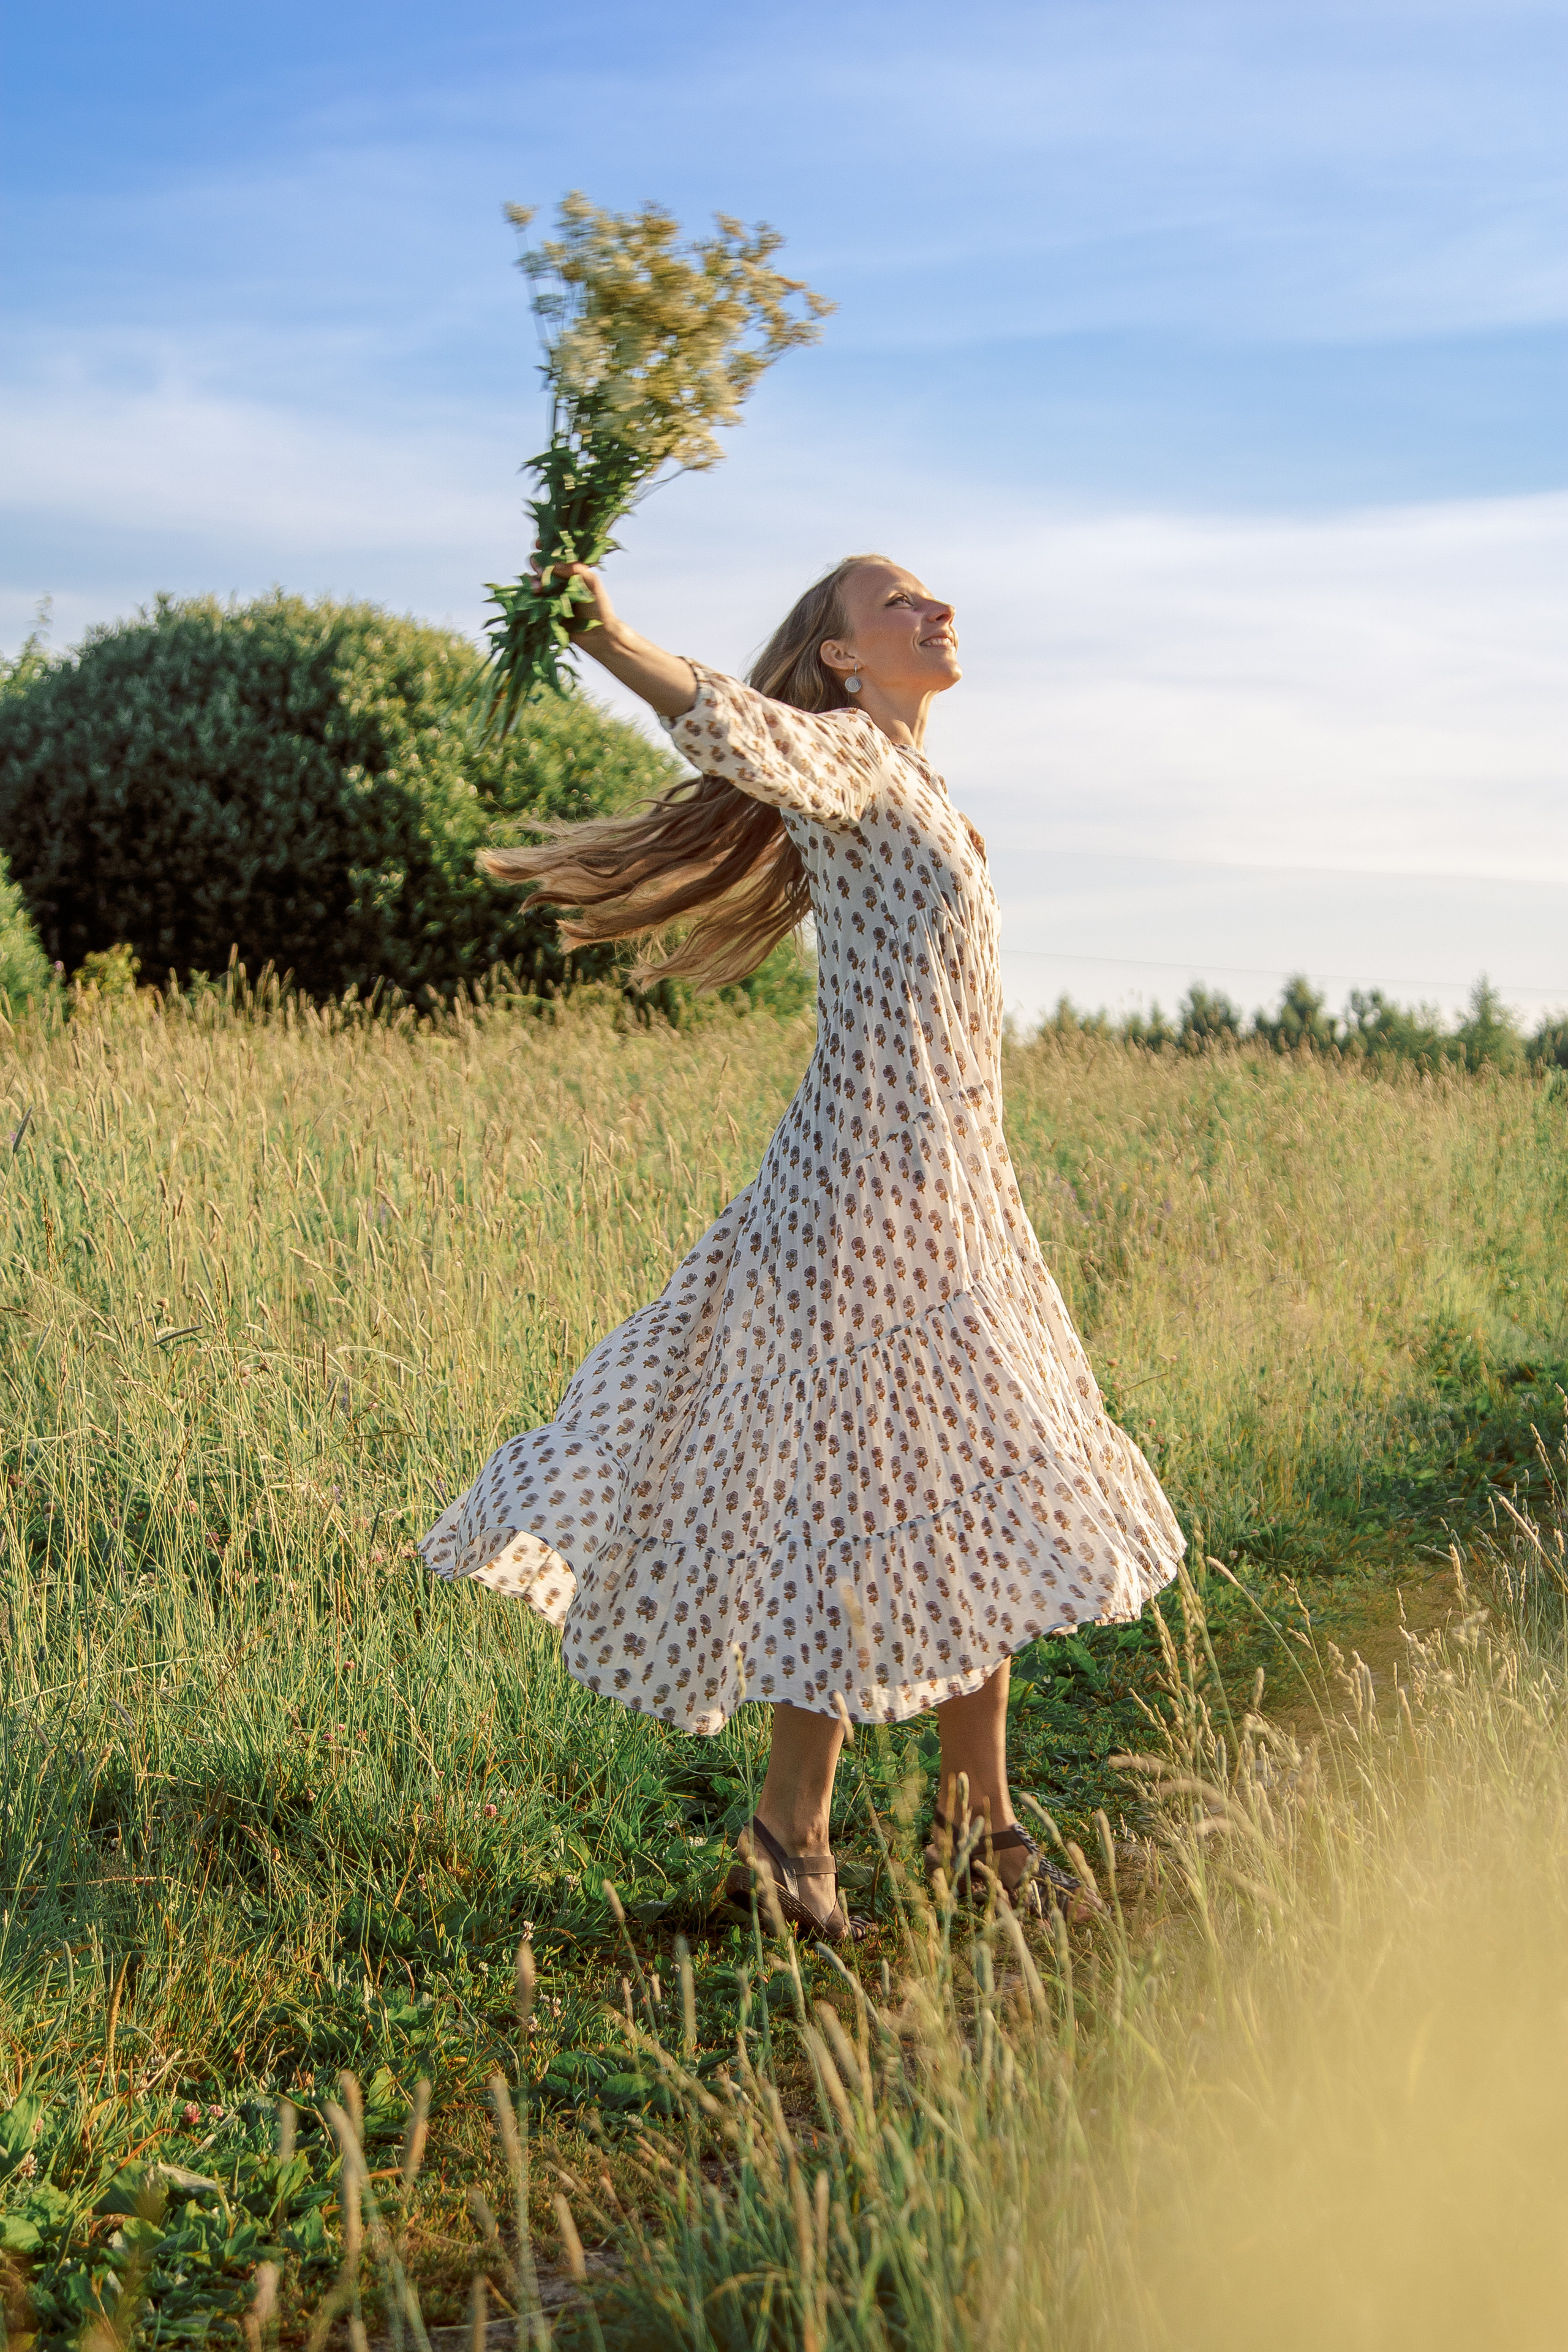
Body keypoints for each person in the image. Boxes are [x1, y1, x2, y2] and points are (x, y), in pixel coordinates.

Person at [421, 553, 1185, 1942]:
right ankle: (821, 1834)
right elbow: (731, 722)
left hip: (945, 1200)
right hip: (860, 1208)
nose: (932, 609)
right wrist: (604, 632)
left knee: (974, 1481)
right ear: (839, 658)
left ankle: (959, 1825)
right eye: (894, 603)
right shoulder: (848, 759)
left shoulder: (922, 788)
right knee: (852, 1495)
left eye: (933, 595)